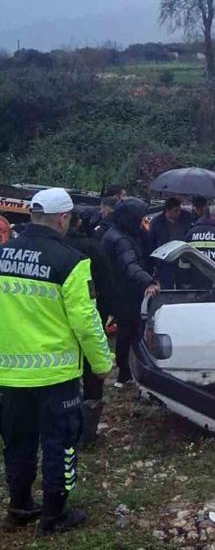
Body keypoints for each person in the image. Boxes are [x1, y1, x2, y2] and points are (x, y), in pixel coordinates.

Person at [0, 188, 113, 535]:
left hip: (9, 374)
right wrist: (102, 363)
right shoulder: (70, 260)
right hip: (55, 375)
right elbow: (86, 320)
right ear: (63, 218)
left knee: (16, 441)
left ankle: (19, 504)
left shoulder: (2, 255)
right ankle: (53, 513)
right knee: (60, 444)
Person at [64, 206, 116, 444]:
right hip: (90, 315)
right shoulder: (92, 247)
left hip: (56, 326)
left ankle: (63, 423)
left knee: (65, 378)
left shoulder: (52, 249)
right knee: (93, 375)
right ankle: (87, 431)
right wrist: (105, 314)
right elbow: (107, 282)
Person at [102, 198, 160, 388]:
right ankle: (125, 374)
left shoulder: (120, 234)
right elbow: (129, 265)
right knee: (129, 333)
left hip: (120, 290)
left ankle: (128, 372)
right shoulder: (121, 239)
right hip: (124, 293)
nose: (142, 221)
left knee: (129, 332)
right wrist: (149, 281)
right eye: (140, 217)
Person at [147, 197, 190, 289]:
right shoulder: (157, 222)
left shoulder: (185, 218)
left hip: (182, 258)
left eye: (179, 210)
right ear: (168, 210)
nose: (178, 213)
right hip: (164, 260)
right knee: (166, 285)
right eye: (175, 210)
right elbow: (151, 242)